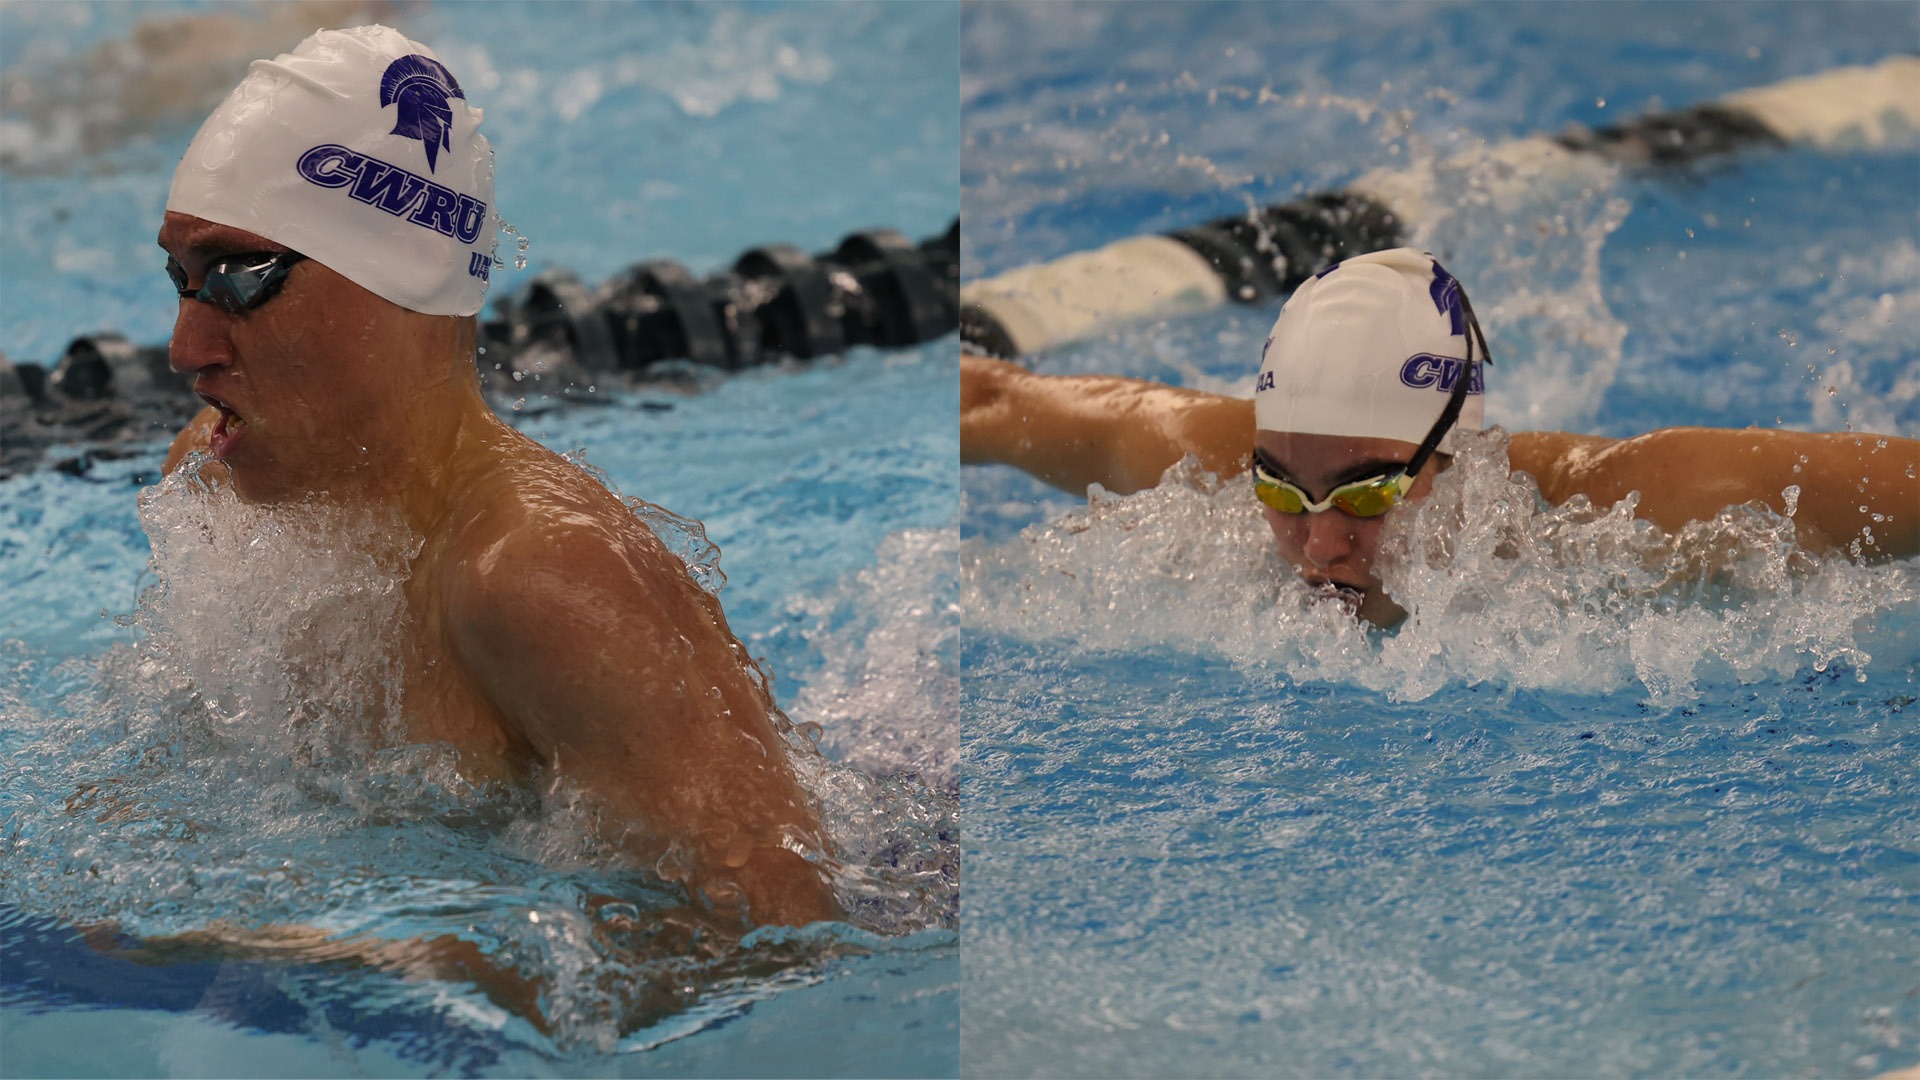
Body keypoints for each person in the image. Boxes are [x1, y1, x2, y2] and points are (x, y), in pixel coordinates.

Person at [155, 25, 838, 927]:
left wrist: (375, 963)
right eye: (181, 278)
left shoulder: (530, 576)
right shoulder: (215, 480)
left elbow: (783, 938)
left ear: (400, 270)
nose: (185, 350)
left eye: (240, 279)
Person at [962, 247, 1919, 627]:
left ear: (1456, 458)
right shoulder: (1211, 464)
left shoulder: (1656, 504)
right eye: (1283, 490)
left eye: (1372, 493)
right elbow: (994, 402)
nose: (1323, 545)